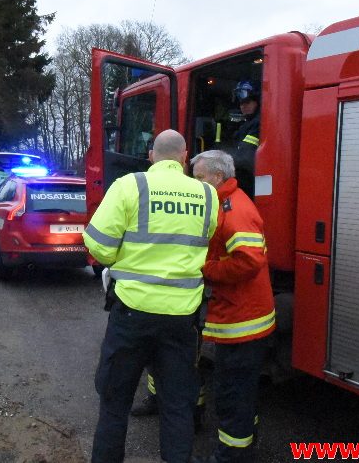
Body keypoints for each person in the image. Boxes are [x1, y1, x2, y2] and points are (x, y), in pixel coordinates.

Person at [83, 129, 218, 463]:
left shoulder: (130, 186)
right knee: (177, 408)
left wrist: (121, 259)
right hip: (182, 320)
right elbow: (207, 241)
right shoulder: (207, 195)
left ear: (151, 155)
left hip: (132, 313)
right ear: (186, 156)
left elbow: (97, 244)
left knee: (115, 404)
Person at [189, 150, 275, 463]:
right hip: (241, 316)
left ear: (218, 177)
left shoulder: (234, 208)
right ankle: (245, 445)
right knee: (240, 391)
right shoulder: (222, 203)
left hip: (242, 321)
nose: (196, 183)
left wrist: (207, 269)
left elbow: (249, 261)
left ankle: (231, 456)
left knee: (231, 393)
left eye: (200, 178)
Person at [230, 80, 261, 199]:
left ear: (256, 102)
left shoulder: (257, 123)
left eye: (247, 102)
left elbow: (244, 154)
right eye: (241, 103)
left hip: (249, 176)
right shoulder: (247, 123)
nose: (243, 106)